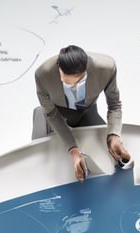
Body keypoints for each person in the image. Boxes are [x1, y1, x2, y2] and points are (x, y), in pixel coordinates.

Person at [34, 45, 130, 182]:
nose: (72, 87)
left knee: (104, 157)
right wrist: (73, 149)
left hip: (86, 110)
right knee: (47, 164)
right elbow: (51, 114)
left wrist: (113, 135)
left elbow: (114, 105)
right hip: (56, 114)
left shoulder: (106, 68)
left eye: (78, 82)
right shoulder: (42, 75)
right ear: (58, 68)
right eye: (67, 83)